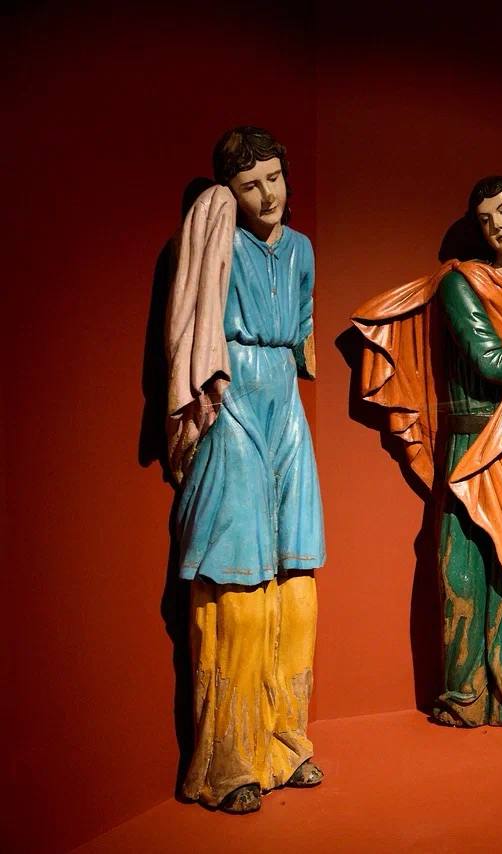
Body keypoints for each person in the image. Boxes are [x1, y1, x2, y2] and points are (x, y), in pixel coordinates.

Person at [166, 126, 326, 814]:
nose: (267, 195)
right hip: (232, 398)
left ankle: (287, 742)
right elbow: (190, 320)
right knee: (236, 583)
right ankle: (228, 762)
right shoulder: (218, 241)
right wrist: (216, 397)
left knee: (298, 576)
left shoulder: (302, 249)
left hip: (286, 402)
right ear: (229, 192)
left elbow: (305, 320)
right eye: (249, 184)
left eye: (274, 177)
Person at [352, 176, 502, 727]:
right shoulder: (463, 284)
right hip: (470, 440)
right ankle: (466, 696)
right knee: (460, 572)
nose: (498, 225)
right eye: (485, 220)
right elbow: (488, 360)